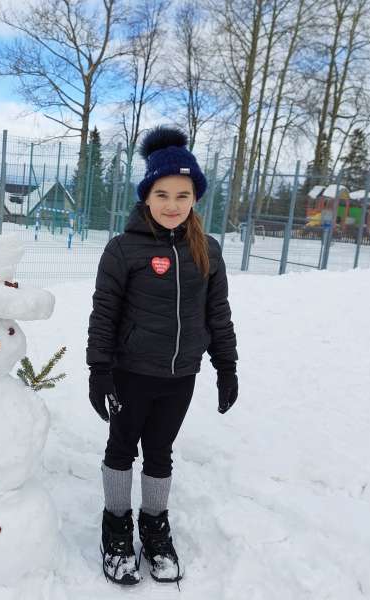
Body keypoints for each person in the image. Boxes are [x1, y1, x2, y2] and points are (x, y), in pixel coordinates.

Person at [86, 127, 238, 586]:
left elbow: (218, 314)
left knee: (160, 452)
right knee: (121, 448)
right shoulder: (123, 249)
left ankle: (154, 526)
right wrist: (99, 370)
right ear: (147, 195)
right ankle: (116, 526)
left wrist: (226, 366)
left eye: (183, 195)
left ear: (195, 199)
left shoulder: (207, 250)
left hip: (180, 376)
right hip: (131, 373)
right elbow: (104, 313)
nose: (173, 204)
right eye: (163, 193)